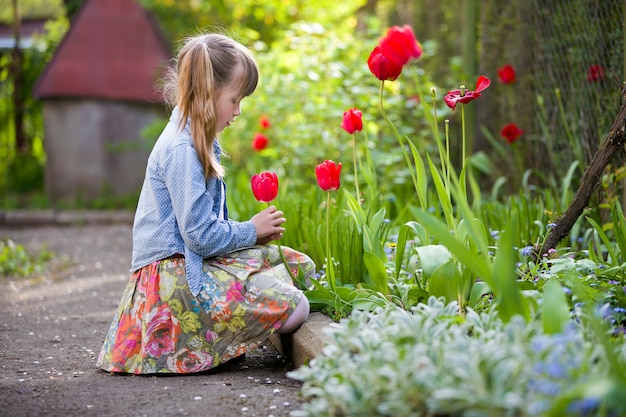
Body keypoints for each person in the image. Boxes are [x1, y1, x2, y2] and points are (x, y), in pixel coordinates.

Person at [97, 33, 315, 374]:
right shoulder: (182, 150)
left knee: (294, 267)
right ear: (208, 95)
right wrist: (250, 231)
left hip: (188, 266)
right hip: (174, 283)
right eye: (235, 99)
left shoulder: (195, 137)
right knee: (297, 308)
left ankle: (221, 332)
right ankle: (203, 338)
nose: (239, 111)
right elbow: (198, 236)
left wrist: (249, 237)